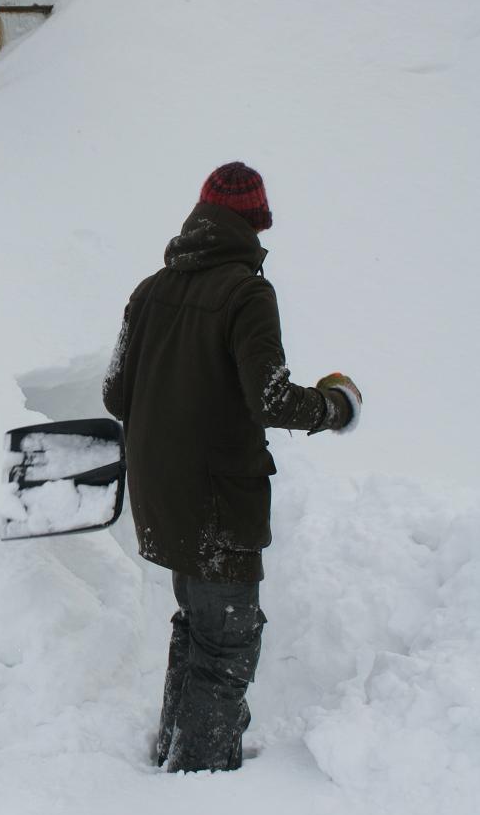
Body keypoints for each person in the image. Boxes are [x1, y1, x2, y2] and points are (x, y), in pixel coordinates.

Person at [102, 162, 361, 773]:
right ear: (255, 223)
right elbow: (269, 398)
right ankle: (198, 780)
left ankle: (172, 750)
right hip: (219, 502)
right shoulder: (247, 293)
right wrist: (335, 406)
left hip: (162, 497)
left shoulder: (149, 289)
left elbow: (116, 393)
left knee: (197, 628)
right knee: (227, 645)